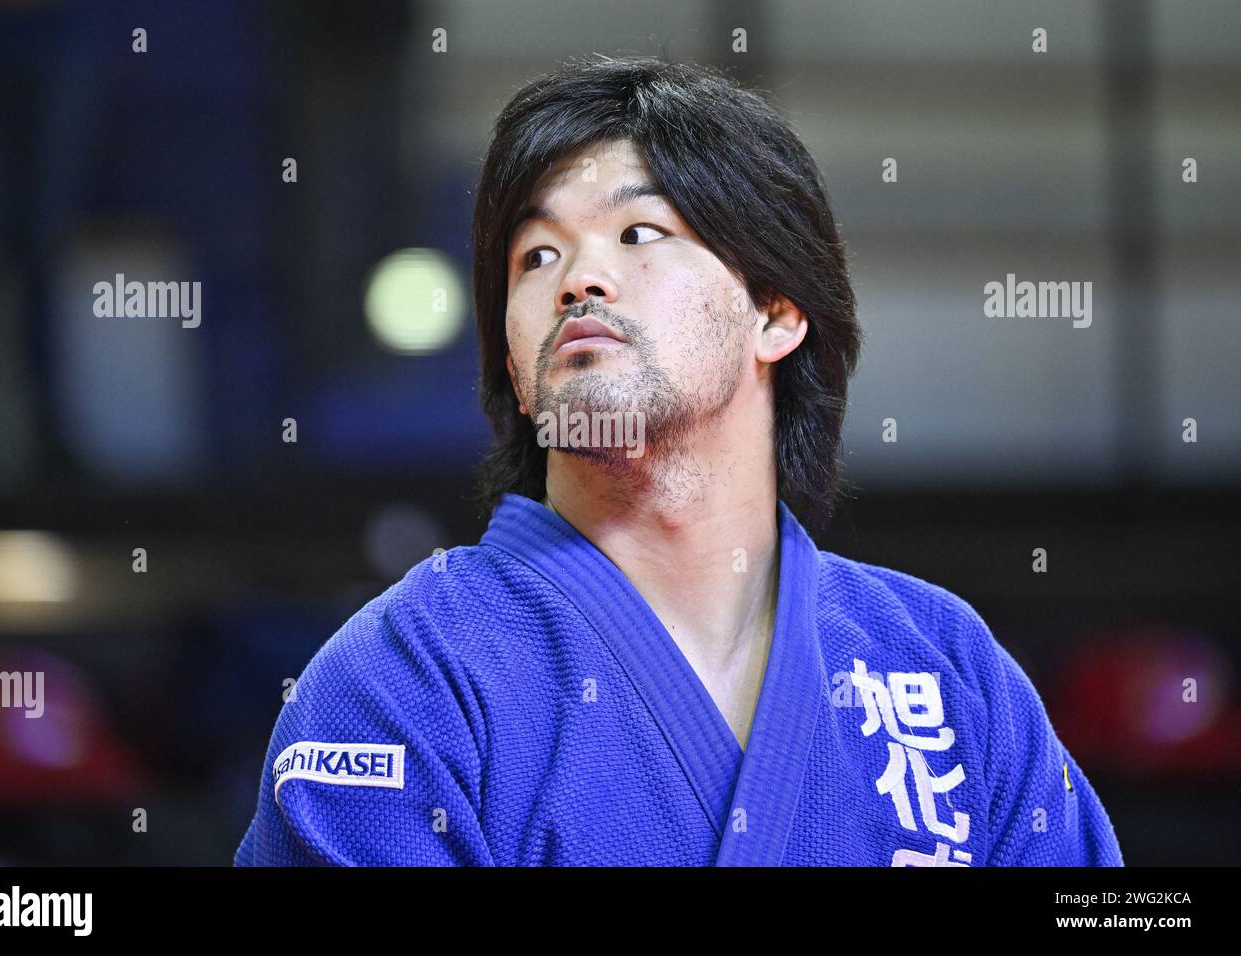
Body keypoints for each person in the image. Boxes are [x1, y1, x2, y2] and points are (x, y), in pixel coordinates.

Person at [235, 55, 1122, 866]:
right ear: (511, 360)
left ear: (775, 309)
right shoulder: (408, 675)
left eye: (639, 234)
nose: (579, 279)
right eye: (536, 256)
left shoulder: (941, 666)